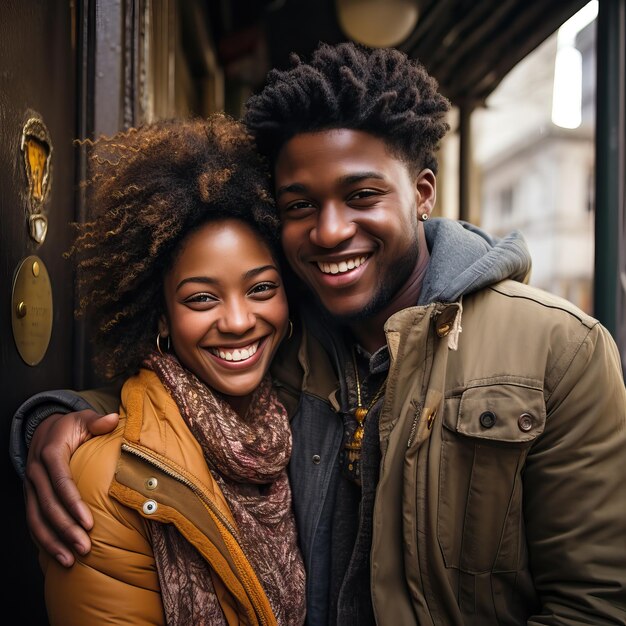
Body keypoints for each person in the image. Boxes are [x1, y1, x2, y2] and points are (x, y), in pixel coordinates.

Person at [11, 42, 626, 625]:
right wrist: (56, 418)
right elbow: (176, 401)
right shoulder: (285, 331)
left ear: (421, 193)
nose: (330, 231)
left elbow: (595, 604)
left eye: (361, 194)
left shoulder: (558, 350)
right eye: (300, 205)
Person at [20, 114, 306, 625]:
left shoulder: (288, 424)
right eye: (201, 298)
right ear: (162, 319)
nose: (240, 321)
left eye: (261, 288)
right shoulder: (103, 482)